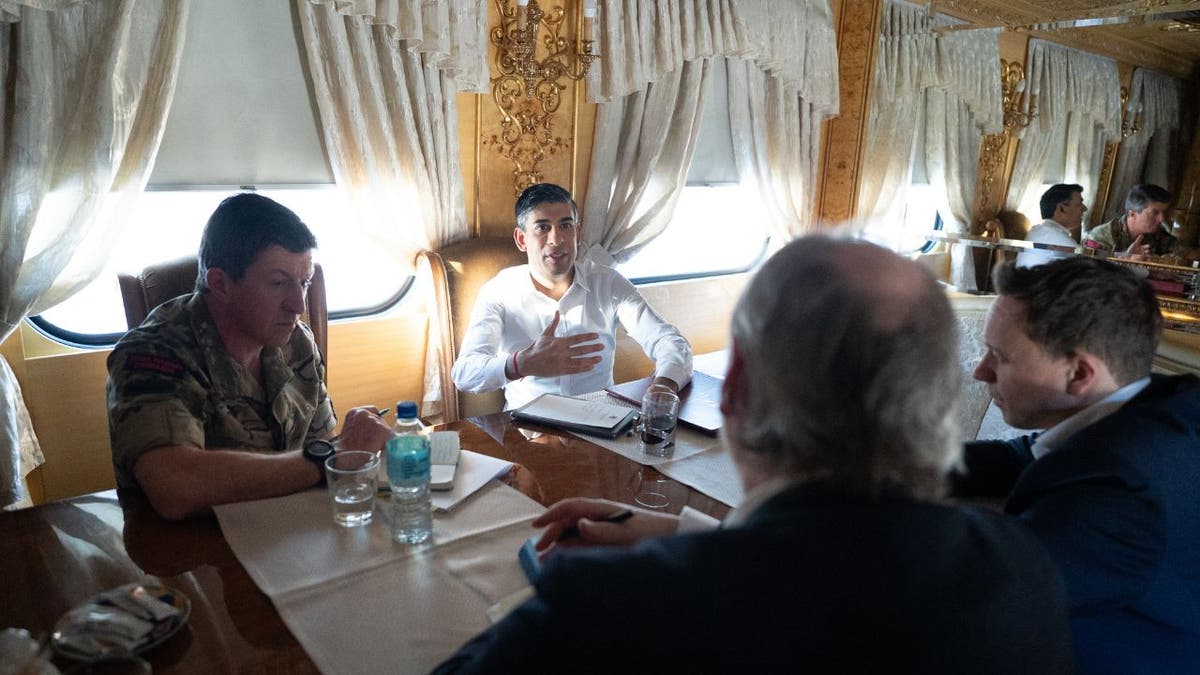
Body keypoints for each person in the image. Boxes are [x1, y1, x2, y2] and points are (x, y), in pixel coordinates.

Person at [434, 236, 1074, 674]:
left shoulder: (611, 608)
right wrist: (689, 531)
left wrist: (550, 595)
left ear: (733, 391)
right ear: (945, 392)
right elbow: (833, 575)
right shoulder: (1024, 566)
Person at [957, 256, 1200, 673]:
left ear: (1079, 373)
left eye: (1000, 356)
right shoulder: (1159, 403)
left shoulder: (1121, 492)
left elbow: (975, 591)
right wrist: (883, 458)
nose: (982, 371)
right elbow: (1024, 454)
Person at [107, 193, 392, 520]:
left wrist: (358, 452)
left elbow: (322, 442)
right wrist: (333, 455)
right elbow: (175, 487)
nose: (298, 305)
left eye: (304, 282)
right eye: (278, 283)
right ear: (221, 284)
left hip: (288, 532)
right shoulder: (153, 353)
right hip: (196, 553)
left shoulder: (296, 341)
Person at [451, 183, 692, 409]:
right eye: (542, 228)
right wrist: (519, 364)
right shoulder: (499, 291)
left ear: (578, 233)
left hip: (600, 424)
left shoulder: (608, 283)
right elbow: (464, 373)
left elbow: (669, 341)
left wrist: (664, 384)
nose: (556, 239)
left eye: (565, 226)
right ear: (522, 239)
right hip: (528, 429)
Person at [1083, 183, 1178, 260]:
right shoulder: (1101, 236)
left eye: (1164, 212)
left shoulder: (1156, 233)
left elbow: (1184, 253)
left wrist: (1168, 261)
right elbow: (1090, 272)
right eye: (1155, 213)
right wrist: (1125, 260)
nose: (1162, 219)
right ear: (1132, 214)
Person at [1017, 183, 1086, 268]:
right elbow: (1092, 266)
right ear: (1061, 209)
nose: (1085, 208)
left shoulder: (1040, 230)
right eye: (1079, 204)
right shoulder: (1054, 236)